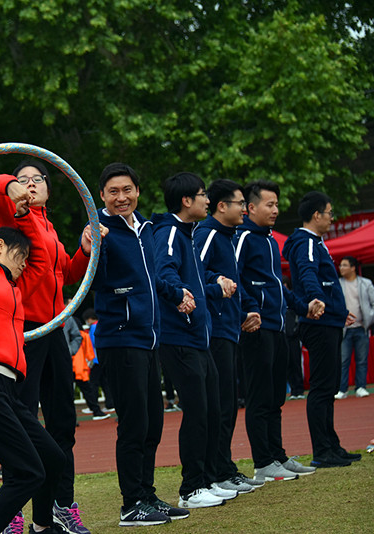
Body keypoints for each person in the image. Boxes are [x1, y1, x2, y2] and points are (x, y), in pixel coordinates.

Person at [0, 160, 91, 534]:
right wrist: (11, 189)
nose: (30, 185)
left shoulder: (50, 229)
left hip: (54, 328)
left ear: (48, 187)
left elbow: (67, 276)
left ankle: (60, 506)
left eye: (36, 180)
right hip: (22, 330)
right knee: (22, 421)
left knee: (62, 421)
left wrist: (86, 250)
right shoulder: (12, 218)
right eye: (22, 180)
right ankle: (13, 510)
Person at [88, 162, 188, 526]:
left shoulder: (144, 228)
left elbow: (150, 279)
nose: (121, 198)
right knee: (133, 425)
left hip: (149, 339)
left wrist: (177, 294)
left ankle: (147, 494)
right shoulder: (99, 231)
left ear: (137, 191)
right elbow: (93, 284)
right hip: (120, 338)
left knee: (153, 423)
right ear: (101, 196)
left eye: (127, 190)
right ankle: (132, 504)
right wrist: (90, 248)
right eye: (113, 192)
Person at [0, 174, 67, 534]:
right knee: (26, 472)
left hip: (7, 388)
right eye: (19, 255)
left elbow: (42, 258)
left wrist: (27, 217)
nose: (26, 263)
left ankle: (43, 527)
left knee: (53, 459)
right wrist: (13, 188)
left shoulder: (18, 284)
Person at [152, 172, 236, 509]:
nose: (206, 200)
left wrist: (217, 288)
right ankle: (191, 487)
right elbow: (164, 272)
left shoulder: (186, 234)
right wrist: (177, 296)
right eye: (202, 195)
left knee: (212, 409)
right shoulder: (170, 231)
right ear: (186, 201)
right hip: (178, 336)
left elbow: (197, 284)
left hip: (199, 337)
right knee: (198, 411)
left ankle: (207, 479)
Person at [234, 180, 318, 481]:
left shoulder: (270, 240)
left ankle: (277, 455)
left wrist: (301, 304)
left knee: (275, 397)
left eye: (277, 204)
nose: (275, 210)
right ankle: (263, 462)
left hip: (278, 326)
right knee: (259, 397)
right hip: (256, 328)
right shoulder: (242, 237)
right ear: (250, 207)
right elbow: (233, 275)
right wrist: (247, 310)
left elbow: (277, 286)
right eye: (269, 204)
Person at [193, 179, 262, 495]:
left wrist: (247, 308)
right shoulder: (207, 235)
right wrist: (216, 284)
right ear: (223, 207)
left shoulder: (226, 236)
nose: (245, 210)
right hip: (215, 331)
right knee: (218, 405)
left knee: (228, 404)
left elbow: (233, 281)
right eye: (240, 204)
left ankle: (224, 468)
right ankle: (216, 472)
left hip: (229, 329)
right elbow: (195, 272)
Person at [282, 191, 359, 468]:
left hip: (328, 319)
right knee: (322, 388)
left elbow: (320, 279)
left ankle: (331, 445)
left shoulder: (314, 242)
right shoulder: (306, 243)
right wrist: (317, 302)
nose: (331, 217)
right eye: (329, 212)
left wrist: (338, 310)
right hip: (318, 322)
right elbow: (308, 273)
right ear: (317, 215)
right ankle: (322, 450)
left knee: (328, 387)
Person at [336, 256, 374, 399]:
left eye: (344, 265)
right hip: (344, 329)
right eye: (340, 265)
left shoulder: (365, 283)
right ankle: (342, 389)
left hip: (361, 327)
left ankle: (361, 387)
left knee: (361, 360)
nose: (341, 268)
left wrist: (369, 319)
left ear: (353, 267)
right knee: (343, 360)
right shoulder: (337, 284)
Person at [80, 309, 113, 414]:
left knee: (93, 383)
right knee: (105, 382)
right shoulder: (100, 324)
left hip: (95, 359)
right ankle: (110, 403)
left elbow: (92, 343)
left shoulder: (93, 327)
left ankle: (93, 405)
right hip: (102, 358)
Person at [282, 277, 306, 399]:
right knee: (287, 364)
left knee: (296, 362)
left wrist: (296, 331)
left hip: (294, 337)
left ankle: (299, 389)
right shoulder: (279, 300)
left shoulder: (293, 299)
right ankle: (293, 390)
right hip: (283, 336)